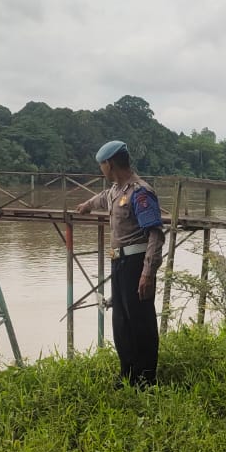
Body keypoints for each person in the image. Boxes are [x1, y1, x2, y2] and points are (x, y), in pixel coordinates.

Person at [76, 140, 164, 389]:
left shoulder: (140, 193)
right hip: (120, 262)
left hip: (137, 263)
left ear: (109, 163)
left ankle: (146, 379)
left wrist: (147, 273)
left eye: (101, 165)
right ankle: (127, 374)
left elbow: (156, 235)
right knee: (122, 321)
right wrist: (86, 206)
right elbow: (102, 198)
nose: (101, 170)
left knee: (140, 321)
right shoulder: (117, 190)